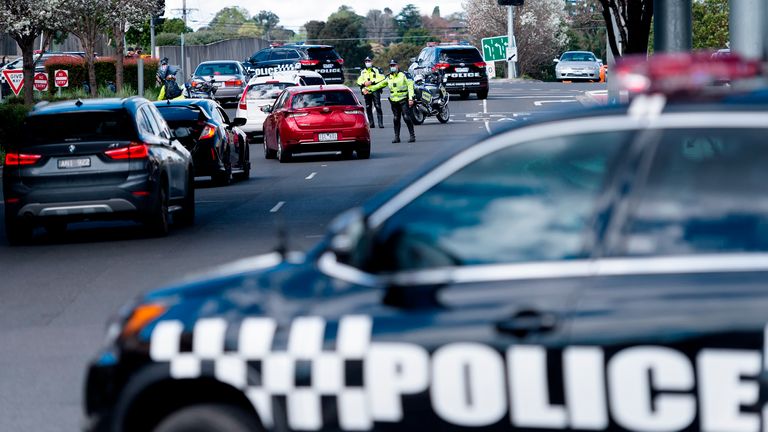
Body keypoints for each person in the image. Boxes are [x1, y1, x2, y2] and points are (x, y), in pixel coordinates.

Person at [364, 59, 415, 143]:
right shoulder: (389, 77)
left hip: (403, 99)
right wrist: (368, 89)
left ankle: (412, 136)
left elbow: (410, 86)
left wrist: (411, 98)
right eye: (391, 66)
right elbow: (379, 85)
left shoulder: (404, 75)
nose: (392, 67)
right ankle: (397, 137)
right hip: (394, 101)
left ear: (397, 66)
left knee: (406, 117)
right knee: (396, 119)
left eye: (394, 65)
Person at [356, 56, 385, 128]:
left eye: (369, 61)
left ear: (371, 62)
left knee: (378, 106)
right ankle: (371, 123)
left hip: (375, 90)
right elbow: (359, 80)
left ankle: (380, 123)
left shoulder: (377, 70)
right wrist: (364, 83)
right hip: (366, 91)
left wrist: (372, 81)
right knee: (368, 107)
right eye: (366, 61)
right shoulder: (363, 71)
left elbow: (382, 78)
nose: (367, 63)